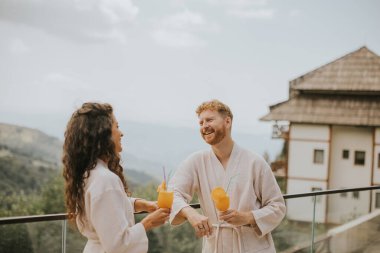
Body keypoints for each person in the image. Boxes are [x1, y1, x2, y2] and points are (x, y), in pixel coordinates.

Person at [169, 99, 286, 253]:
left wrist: (248, 217)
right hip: (216, 246)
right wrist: (191, 213)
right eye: (201, 122)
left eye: (209, 120)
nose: (204, 126)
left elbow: (278, 206)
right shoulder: (196, 162)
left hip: (252, 247)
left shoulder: (254, 162)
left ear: (227, 121)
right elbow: (172, 193)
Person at [62, 102, 170, 253]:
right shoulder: (106, 180)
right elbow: (117, 245)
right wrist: (148, 222)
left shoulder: (89, 173)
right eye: (116, 126)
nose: (121, 133)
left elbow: (107, 207)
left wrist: (142, 204)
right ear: (103, 135)